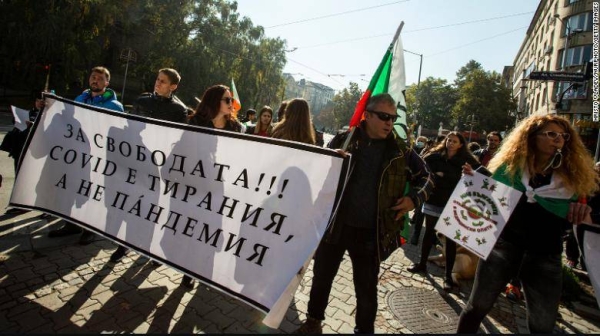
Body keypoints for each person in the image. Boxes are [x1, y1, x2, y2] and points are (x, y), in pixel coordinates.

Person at [295, 93, 433, 334]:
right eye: (383, 116)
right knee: (321, 278)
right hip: (336, 225)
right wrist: (330, 160)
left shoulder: (401, 151)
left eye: (392, 117)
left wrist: (414, 199)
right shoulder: (344, 139)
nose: (389, 122)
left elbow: (428, 179)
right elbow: (318, 173)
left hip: (372, 232)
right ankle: (313, 321)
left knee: (366, 289)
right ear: (367, 115)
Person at [457, 114, 599, 334]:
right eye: (551, 134)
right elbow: (488, 198)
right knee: (476, 308)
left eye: (563, 136)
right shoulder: (509, 170)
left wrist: (584, 210)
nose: (558, 139)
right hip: (502, 249)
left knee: (542, 326)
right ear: (532, 137)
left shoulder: (572, 180)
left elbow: (586, 213)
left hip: (545, 258)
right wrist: (472, 182)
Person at [109, 68, 188, 264]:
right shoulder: (141, 101)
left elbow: (178, 141)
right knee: (130, 204)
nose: (157, 83)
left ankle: (152, 251)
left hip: (159, 168)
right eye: (157, 79)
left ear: (173, 86)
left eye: (163, 81)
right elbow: (129, 127)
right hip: (136, 161)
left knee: (155, 209)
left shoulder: (179, 110)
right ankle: (123, 245)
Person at [48, 66, 124, 245]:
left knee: (92, 193)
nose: (95, 80)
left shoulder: (114, 106)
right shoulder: (80, 99)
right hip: (76, 153)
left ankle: (90, 229)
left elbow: (117, 135)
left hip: (97, 157)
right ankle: (71, 224)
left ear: (107, 82)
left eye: (99, 78)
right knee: (72, 188)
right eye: (92, 76)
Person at [183, 84, 242, 288]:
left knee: (212, 231)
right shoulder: (196, 122)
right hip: (196, 186)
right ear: (214, 101)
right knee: (193, 229)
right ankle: (188, 271)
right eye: (227, 100)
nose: (231, 104)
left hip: (220, 188)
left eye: (231, 100)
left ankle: (205, 271)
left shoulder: (235, 128)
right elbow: (185, 151)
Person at [407, 132, 480, 290]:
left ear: (461, 145)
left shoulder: (467, 161)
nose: (451, 143)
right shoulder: (434, 157)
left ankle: (448, 276)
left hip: (453, 203)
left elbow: (484, 177)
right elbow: (424, 172)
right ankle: (421, 264)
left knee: (451, 240)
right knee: (428, 234)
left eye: (454, 141)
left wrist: (470, 174)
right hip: (434, 200)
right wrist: (439, 177)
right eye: (449, 140)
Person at [0, 92, 46, 215]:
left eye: (41, 101)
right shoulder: (30, 112)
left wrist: (33, 125)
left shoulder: (46, 115)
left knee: (31, 179)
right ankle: (19, 203)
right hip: (19, 149)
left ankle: (30, 205)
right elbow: (16, 121)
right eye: (37, 100)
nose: (39, 103)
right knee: (19, 177)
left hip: (33, 152)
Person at [409, 135, 431, 245]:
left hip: (421, 187)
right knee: (418, 211)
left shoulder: (427, 152)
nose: (420, 142)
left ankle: (416, 234)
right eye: (419, 141)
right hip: (413, 183)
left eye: (423, 141)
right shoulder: (411, 149)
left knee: (420, 210)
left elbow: (426, 173)